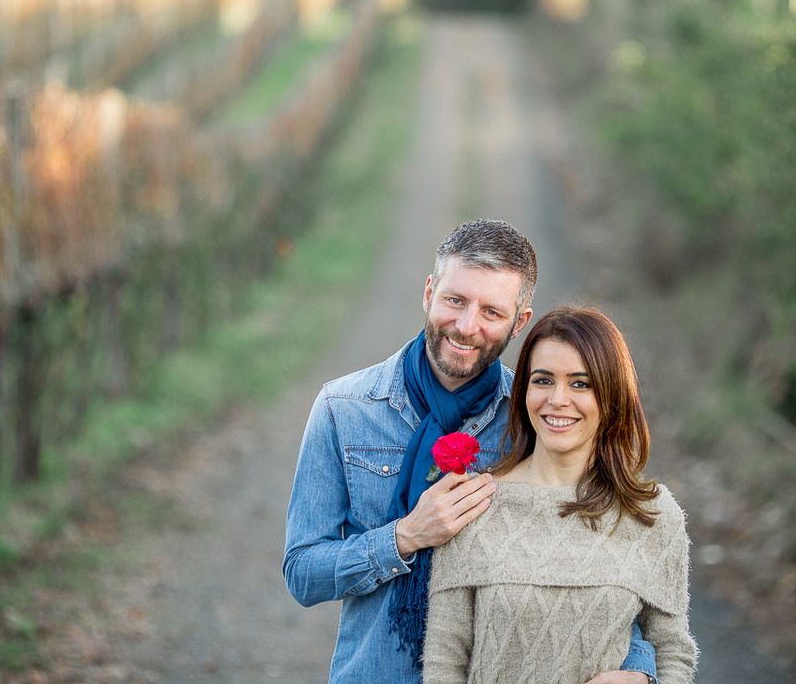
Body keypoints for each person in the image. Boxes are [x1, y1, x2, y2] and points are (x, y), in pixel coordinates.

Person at [282, 220, 658, 684]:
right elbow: (302, 573)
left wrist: (637, 668)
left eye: (491, 312)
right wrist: (404, 537)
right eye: (455, 300)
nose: (465, 326)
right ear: (429, 293)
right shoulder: (343, 408)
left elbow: (597, 573)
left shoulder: (536, 419)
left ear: (519, 323)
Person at [422, 306, 698, 684]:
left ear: (611, 394)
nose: (558, 399)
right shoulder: (474, 503)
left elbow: (673, 650)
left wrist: (647, 681)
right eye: (543, 380)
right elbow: (444, 661)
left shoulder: (652, 514)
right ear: (524, 391)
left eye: (580, 384)